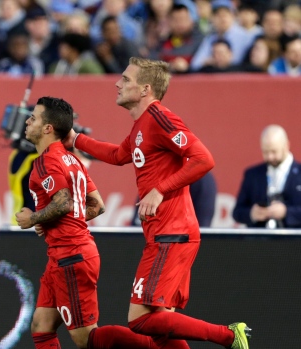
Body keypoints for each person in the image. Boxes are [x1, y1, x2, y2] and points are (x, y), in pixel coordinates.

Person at [63, 57, 251, 349]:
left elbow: (204, 159)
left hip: (171, 234)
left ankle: (229, 335)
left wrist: (160, 189)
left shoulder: (160, 118)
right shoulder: (142, 126)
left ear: (145, 89)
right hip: (165, 234)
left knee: (139, 320)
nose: (117, 83)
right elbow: (118, 156)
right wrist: (76, 140)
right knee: (162, 327)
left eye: (126, 79)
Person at [15, 96, 158, 349]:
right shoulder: (73, 160)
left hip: (71, 256)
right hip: (63, 255)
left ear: (48, 128)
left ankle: (157, 345)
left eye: (33, 118)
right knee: (42, 325)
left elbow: (63, 203)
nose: (27, 121)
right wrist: (49, 221)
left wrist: (34, 218)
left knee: (85, 339)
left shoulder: (47, 161)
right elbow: (96, 205)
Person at [232, 124, 301, 228]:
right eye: (265, 152)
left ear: (286, 145)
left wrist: (286, 212)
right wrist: (252, 214)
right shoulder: (253, 174)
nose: (269, 157)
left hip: (295, 241)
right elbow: (237, 212)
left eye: (274, 151)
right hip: (259, 241)